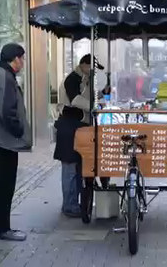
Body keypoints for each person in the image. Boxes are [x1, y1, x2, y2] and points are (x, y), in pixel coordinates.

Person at [0, 43, 32, 241]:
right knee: (5, 185)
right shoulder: (5, 77)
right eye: (23, 58)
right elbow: (7, 111)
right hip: (5, 140)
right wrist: (18, 131)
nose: (23, 62)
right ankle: (3, 229)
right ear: (16, 59)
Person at [54, 54, 103, 218]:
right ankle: (69, 205)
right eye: (91, 68)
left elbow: (90, 96)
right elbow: (75, 100)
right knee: (69, 168)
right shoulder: (72, 79)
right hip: (68, 129)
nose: (93, 72)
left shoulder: (85, 80)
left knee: (78, 167)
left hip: (80, 128)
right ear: (83, 65)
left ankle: (76, 203)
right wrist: (95, 106)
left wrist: (102, 94)